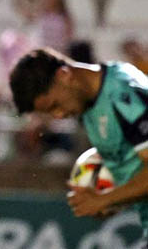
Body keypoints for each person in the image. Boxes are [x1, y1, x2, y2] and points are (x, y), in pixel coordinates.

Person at [9, 48, 148, 245]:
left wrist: (105, 199)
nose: (57, 115)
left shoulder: (122, 94)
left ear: (64, 75)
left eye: (54, 105)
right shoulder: (91, 101)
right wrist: (111, 200)